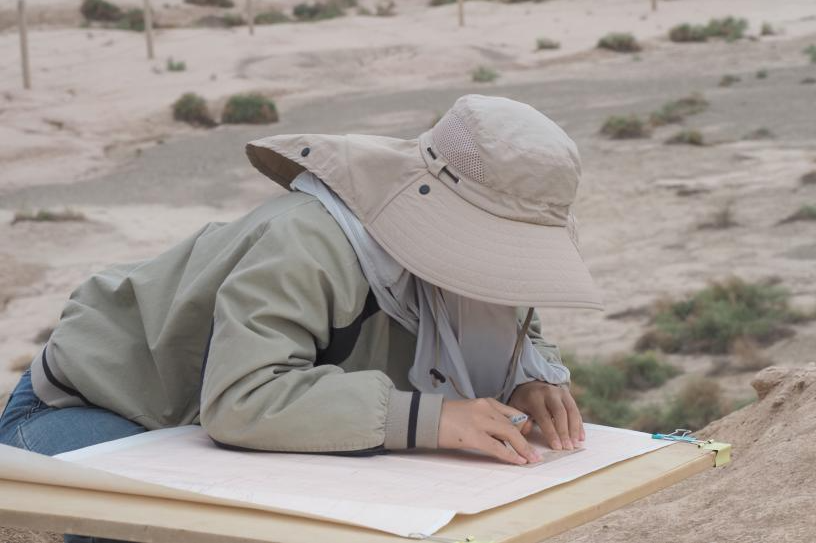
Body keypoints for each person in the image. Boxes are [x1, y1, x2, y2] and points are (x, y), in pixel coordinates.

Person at [0, 94, 602, 484]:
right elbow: (243, 398)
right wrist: (434, 418)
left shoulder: (477, 266)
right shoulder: (311, 243)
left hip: (202, 432)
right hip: (93, 404)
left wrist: (530, 376)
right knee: (159, 523)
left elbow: (515, 318)